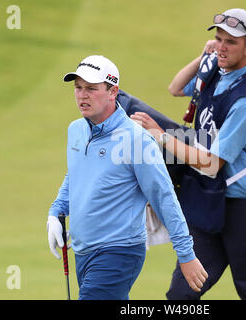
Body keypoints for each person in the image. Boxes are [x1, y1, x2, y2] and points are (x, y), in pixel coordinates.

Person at [130, 8, 246, 300]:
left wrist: (160, 136)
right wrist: (204, 57)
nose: (222, 46)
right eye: (219, 38)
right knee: (181, 295)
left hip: (245, 211)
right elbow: (175, 88)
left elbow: (211, 164)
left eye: (231, 42)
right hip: (210, 202)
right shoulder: (217, 70)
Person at [46, 55, 208, 300]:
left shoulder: (136, 139)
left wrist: (186, 254)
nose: (82, 95)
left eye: (91, 88)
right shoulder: (76, 130)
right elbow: (75, 175)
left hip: (119, 251)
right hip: (83, 250)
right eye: (78, 88)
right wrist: (56, 212)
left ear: (113, 92)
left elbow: (163, 197)